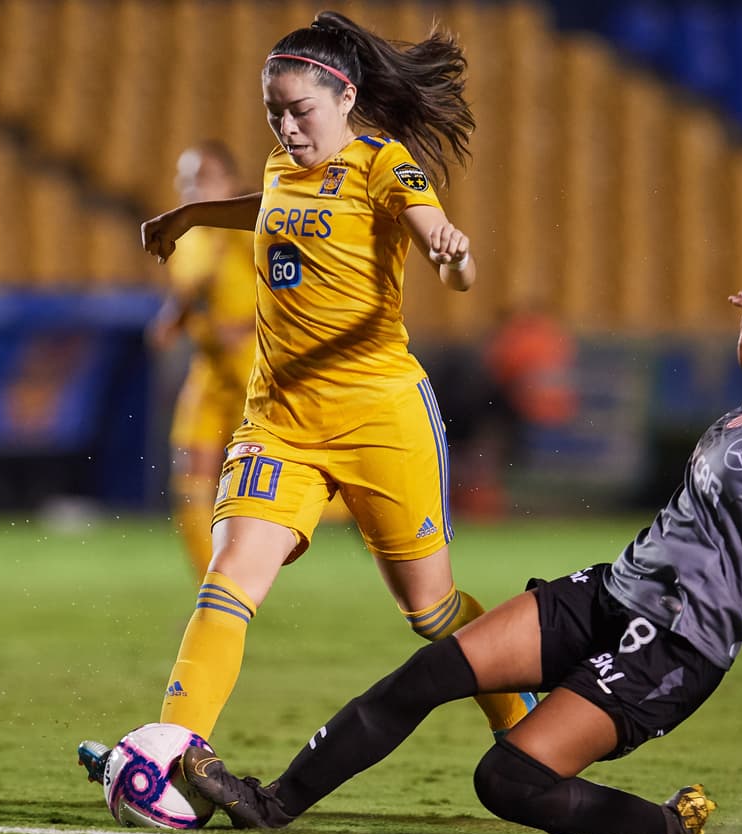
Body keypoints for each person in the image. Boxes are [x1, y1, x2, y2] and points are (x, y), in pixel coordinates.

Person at [177, 264, 742, 834]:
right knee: (426, 673)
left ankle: (662, 824)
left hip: (676, 647)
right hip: (611, 592)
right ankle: (270, 801)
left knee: (508, 778)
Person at [78, 10, 535, 781]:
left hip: (380, 417)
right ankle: (169, 749)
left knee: (430, 612)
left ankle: (526, 730)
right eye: (274, 113)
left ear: (345, 97)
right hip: (280, 421)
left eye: (301, 111)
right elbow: (270, 210)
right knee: (227, 580)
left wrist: (453, 259)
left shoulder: (384, 165)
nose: (287, 127)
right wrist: (192, 214)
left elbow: (440, 244)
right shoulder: (277, 168)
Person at [148, 141, 258, 582]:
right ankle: (212, 591)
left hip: (258, 372)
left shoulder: (254, 228)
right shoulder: (187, 239)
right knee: (190, 481)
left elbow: (294, 291)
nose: (192, 188)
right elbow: (192, 293)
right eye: (185, 179)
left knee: (269, 491)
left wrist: (248, 325)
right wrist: (171, 320)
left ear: (230, 183)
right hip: (210, 371)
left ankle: (359, 517)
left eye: (204, 177)